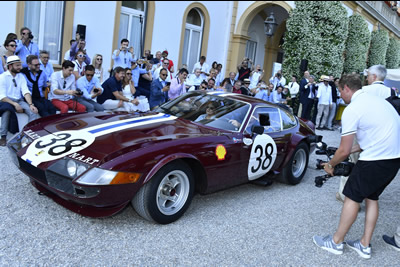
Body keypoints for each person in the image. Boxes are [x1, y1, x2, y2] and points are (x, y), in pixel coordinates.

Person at [313, 74, 400, 259]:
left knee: (352, 196)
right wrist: (344, 152)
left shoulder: (353, 109)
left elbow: (344, 151)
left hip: (374, 160)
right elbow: (372, 137)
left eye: (339, 91)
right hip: (394, 159)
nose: (340, 96)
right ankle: (364, 245)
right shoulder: (379, 102)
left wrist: (330, 164)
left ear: (346, 88)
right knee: (372, 197)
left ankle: (336, 242)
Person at [0, 55, 40, 123]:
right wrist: (15, 104)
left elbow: (25, 91)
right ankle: (3, 133)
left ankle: (27, 132)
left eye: (20, 65)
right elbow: (2, 96)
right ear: (10, 66)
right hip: (6, 101)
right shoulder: (2, 77)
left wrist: (30, 104)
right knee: (7, 111)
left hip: (19, 101)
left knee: (33, 112)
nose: (20, 67)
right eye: (17, 65)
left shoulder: (21, 76)